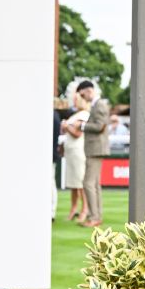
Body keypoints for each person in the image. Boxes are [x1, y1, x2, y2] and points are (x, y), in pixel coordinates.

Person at [80, 80, 110, 227]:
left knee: (88, 183)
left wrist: (82, 125)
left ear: (89, 91)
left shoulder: (99, 105)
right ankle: (96, 216)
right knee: (94, 184)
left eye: (82, 94)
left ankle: (94, 217)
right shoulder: (97, 105)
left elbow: (100, 126)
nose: (82, 97)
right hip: (95, 149)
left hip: (96, 149)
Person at [62, 88, 91, 222]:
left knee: (80, 183)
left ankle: (85, 209)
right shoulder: (75, 115)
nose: (73, 101)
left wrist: (66, 126)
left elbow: (77, 133)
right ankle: (74, 208)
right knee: (73, 183)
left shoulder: (84, 114)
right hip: (70, 152)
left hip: (78, 151)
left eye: (75, 99)